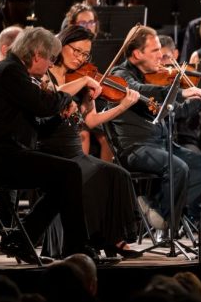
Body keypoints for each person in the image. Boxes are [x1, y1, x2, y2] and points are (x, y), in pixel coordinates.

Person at [0, 26, 96, 261]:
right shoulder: (10, 71)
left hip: (3, 153)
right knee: (70, 172)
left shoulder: (13, 71)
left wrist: (59, 115)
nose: (50, 65)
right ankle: (75, 247)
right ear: (37, 55)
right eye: (50, 59)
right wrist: (65, 98)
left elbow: (36, 124)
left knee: (65, 178)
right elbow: (42, 104)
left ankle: (21, 240)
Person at [37, 26, 142, 259]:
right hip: (51, 150)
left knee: (118, 175)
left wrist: (122, 106)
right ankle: (81, 242)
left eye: (85, 54)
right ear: (61, 44)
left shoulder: (83, 78)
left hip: (74, 150)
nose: (80, 58)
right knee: (87, 178)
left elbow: (91, 120)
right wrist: (85, 80)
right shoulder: (45, 72)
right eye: (76, 51)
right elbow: (53, 96)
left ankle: (113, 239)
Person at [109, 26, 201, 229]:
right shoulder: (120, 75)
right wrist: (180, 92)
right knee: (178, 168)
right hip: (136, 147)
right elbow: (139, 91)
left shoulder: (154, 77)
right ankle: (168, 223)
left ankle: (157, 208)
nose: (161, 56)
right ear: (137, 54)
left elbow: (180, 111)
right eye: (155, 50)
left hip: (162, 145)